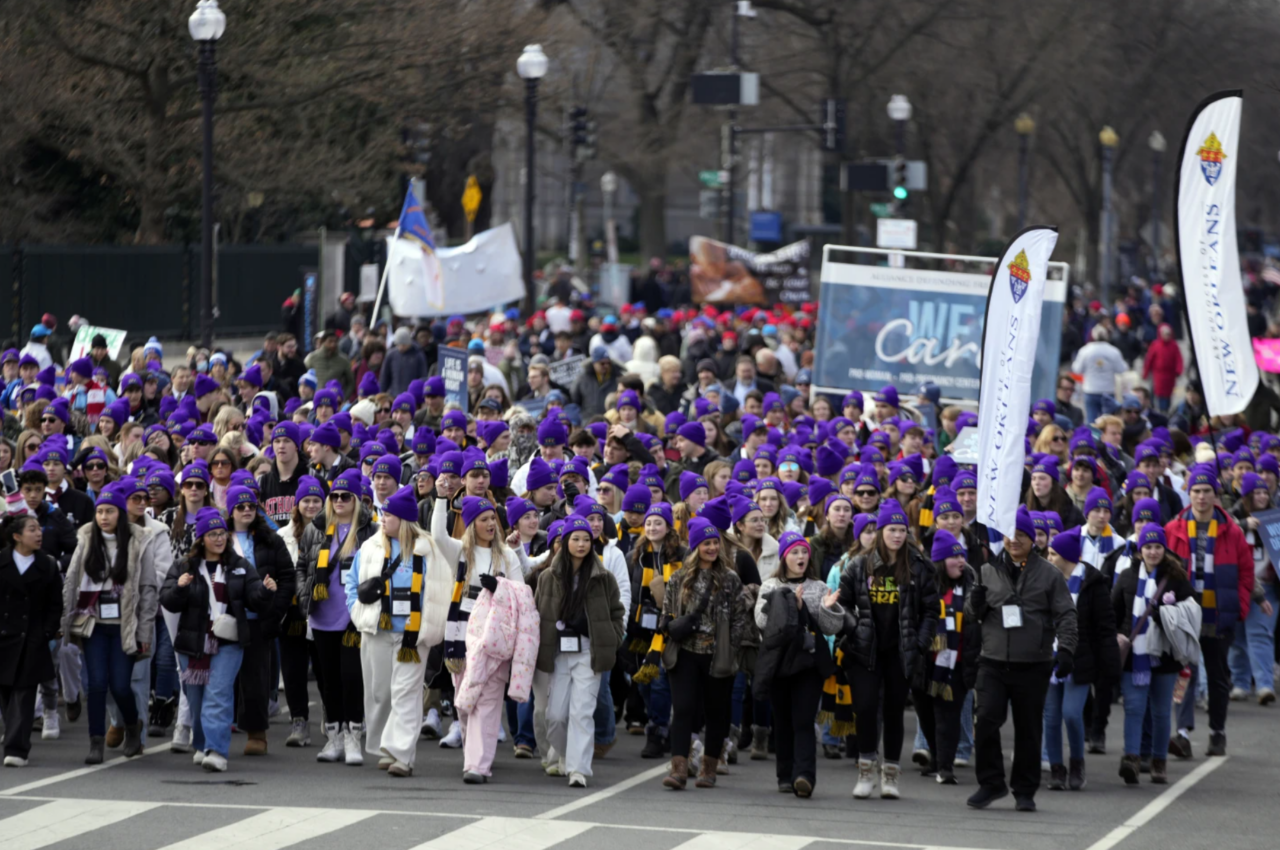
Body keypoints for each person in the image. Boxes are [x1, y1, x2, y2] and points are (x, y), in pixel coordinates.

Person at [965, 506, 1078, 812]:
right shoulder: (986, 571)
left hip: (1033, 663)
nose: (1014, 540)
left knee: (1028, 728)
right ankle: (991, 783)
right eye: (1009, 534)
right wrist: (975, 604)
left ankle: (1025, 790)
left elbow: (1066, 614)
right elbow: (971, 614)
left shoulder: (1050, 574)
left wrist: (1065, 649)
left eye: (1021, 534)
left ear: (1033, 539)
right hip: (992, 660)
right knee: (986, 720)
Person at [346, 485, 452, 776]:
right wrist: (358, 613)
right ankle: (384, 747)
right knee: (380, 693)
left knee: (406, 693)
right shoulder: (370, 546)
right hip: (375, 630)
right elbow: (352, 585)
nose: (382, 519)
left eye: (388, 515)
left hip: (412, 636)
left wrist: (430, 629)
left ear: (403, 519)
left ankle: (402, 755)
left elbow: (442, 591)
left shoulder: (428, 549)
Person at [836, 499, 937, 800]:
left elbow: (932, 610)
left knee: (894, 712)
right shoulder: (859, 565)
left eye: (902, 530)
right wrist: (855, 628)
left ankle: (890, 773)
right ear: (880, 531)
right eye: (891, 529)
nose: (897, 535)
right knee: (865, 709)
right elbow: (842, 603)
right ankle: (866, 768)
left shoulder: (919, 566)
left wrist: (919, 644)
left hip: (901, 652)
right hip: (864, 650)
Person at [62, 484, 160, 765]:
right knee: (96, 684)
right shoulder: (85, 539)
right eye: (100, 511)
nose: (104, 516)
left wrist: (144, 633)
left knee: (119, 685)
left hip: (123, 625)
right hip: (92, 623)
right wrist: (65, 620)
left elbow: (149, 590)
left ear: (121, 514)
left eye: (110, 511)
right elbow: (71, 582)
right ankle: (96, 743)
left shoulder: (138, 542)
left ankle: (132, 725)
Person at [429, 494, 525, 780]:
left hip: (493, 634)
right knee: (464, 698)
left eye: (493, 518)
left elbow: (521, 594)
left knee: (489, 699)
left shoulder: (506, 555)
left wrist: (500, 586)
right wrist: (440, 498)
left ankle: (478, 765)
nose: (490, 524)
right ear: (471, 524)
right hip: (461, 635)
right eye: (483, 519)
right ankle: (474, 753)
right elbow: (437, 534)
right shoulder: (459, 551)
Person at [1164, 465, 1253, 757]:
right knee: (1184, 674)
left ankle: (1218, 731)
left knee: (1217, 675)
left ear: (1216, 494)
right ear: (1188, 494)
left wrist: (1238, 606)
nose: (1202, 497)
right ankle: (1183, 733)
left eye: (1207, 491)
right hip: (1184, 612)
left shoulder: (1233, 530)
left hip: (1218, 612)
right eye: (1196, 491)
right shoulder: (1173, 528)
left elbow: (1245, 572)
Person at [534, 515, 625, 787]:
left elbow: (617, 613)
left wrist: (611, 637)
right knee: (556, 715)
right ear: (564, 542)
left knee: (582, 712)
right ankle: (561, 753)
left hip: (589, 652)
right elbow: (537, 613)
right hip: (558, 653)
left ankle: (579, 770)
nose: (582, 544)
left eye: (587, 539)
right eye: (576, 539)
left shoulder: (603, 577)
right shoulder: (548, 577)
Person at [753, 532, 844, 797]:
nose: (801, 557)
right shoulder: (770, 586)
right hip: (779, 664)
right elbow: (761, 621)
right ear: (784, 557)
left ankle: (804, 776)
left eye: (804, 552)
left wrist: (827, 608)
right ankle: (785, 774)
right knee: (782, 721)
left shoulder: (817, 586)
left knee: (803, 720)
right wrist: (790, 607)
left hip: (808, 663)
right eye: (794, 552)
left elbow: (830, 628)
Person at [660, 517, 748, 790]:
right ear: (696, 546)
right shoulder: (678, 577)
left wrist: (730, 649)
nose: (711, 548)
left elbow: (739, 618)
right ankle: (679, 769)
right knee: (683, 709)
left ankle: (708, 767)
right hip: (684, 652)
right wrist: (670, 627)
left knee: (717, 712)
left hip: (717, 654)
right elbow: (668, 613)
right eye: (706, 543)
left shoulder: (730, 578)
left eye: (714, 543)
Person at [300, 468, 379, 764]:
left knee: (352, 678)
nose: (339, 501)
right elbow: (301, 566)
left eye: (346, 496)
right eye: (334, 496)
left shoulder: (370, 530)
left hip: (354, 617)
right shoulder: (316, 528)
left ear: (357, 499)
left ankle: (353, 738)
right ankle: (333, 737)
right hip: (322, 615)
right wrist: (304, 594)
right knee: (328, 680)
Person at [1112, 523, 1195, 785]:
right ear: (1139, 550)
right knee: (1134, 708)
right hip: (1133, 655)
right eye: (1147, 547)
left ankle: (1159, 761)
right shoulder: (1126, 577)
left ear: (1164, 548)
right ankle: (1132, 760)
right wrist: (1118, 635)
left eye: (1158, 546)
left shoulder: (1177, 578)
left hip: (1165, 656)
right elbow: (1113, 613)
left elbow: (1191, 614)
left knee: (1160, 712)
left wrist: (1166, 615)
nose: (1152, 551)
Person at [1042, 527, 1119, 792]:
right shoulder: (1047, 581)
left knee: (1072, 714)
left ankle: (1077, 764)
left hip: (1081, 661)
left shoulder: (1093, 584)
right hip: (1049, 660)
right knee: (1051, 718)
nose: (1048, 558)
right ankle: (1056, 769)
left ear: (1067, 556)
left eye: (1053, 554)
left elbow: (1105, 629)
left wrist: (1109, 667)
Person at [225, 485, 295, 756]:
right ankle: (215, 732)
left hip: (259, 620)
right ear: (230, 510)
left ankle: (257, 733)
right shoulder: (218, 537)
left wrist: (274, 612)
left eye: (251, 507)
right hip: (226, 620)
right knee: (222, 681)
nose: (246, 511)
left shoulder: (271, 539)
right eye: (240, 507)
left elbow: (287, 577)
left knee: (256, 680)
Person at [912, 529, 979, 785]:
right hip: (924, 662)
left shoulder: (971, 586)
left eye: (962, 556)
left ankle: (946, 767)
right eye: (954, 558)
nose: (961, 562)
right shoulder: (923, 585)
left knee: (947, 717)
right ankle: (937, 759)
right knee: (926, 713)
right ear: (940, 561)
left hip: (957, 663)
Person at [0, 513, 62, 767]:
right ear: (16, 536)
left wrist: (47, 632)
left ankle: (17, 748)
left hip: (32, 639)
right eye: (32, 530)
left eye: (39, 529)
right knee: (6, 693)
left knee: (24, 694)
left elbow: (55, 604)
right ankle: (14, 736)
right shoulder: (1, 562)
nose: (39, 534)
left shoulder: (47, 565)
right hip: (3, 637)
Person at [278, 475, 326, 747]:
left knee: (324, 669)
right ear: (297, 505)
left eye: (316, 501)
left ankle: (331, 715)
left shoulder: (333, 532)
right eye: (306, 501)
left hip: (323, 612)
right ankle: (299, 721)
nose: (311, 506)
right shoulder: (283, 536)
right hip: (292, 614)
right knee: (294, 671)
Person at [1228, 473, 1278, 704]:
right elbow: (1220, 532)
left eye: (1264, 493)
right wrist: (1242, 525)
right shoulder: (1234, 517)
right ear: (1247, 495)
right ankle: (1240, 683)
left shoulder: (1275, 518)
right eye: (1256, 493)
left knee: (1260, 635)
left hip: (1267, 588)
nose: (1261, 496)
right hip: (1239, 587)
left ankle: (1265, 686)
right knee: (1237, 638)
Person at [1072, 326, 1129, 424]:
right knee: (1108, 423)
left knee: (1091, 422)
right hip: (1108, 390)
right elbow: (1122, 369)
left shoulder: (1085, 350)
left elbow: (1077, 369)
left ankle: (1093, 438)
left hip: (1090, 390)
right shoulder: (1113, 351)